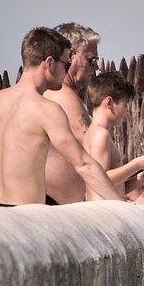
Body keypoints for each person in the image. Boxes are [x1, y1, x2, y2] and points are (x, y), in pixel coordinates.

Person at [0, 28, 126, 206]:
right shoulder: (47, 110)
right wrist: (120, 204)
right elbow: (84, 164)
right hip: (27, 215)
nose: (66, 72)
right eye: (65, 65)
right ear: (49, 63)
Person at [83, 71, 144, 211]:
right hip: (103, 211)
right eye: (125, 104)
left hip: (105, 208)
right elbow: (101, 179)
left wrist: (137, 181)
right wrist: (139, 163)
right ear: (109, 102)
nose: (126, 111)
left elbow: (111, 184)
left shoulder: (95, 132)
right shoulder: (100, 134)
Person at [43, 22, 101, 204]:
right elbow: (94, 146)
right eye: (92, 60)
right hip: (49, 205)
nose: (96, 68)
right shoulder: (62, 94)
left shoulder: (61, 93)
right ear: (72, 55)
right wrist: (135, 192)